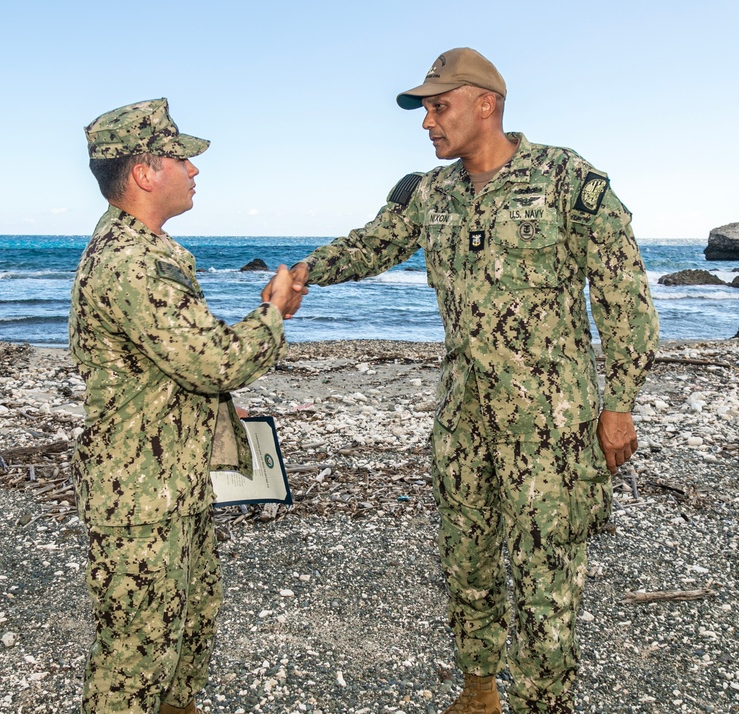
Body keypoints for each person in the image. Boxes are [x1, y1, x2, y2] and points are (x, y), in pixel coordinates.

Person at [266, 49, 659, 713]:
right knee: (468, 560)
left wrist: (619, 405)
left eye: (437, 105)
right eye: (423, 107)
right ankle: (479, 691)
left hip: (551, 423)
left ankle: (543, 704)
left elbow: (624, 299)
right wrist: (303, 272)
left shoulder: (568, 180)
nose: (427, 121)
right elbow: (372, 244)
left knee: (545, 577)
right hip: (464, 417)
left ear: (486, 104)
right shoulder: (430, 193)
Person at [70, 97, 303, 714]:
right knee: (134, 662)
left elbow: (174, 370)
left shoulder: (146, 252)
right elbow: (216, 363)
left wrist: (222, 417)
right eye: (180, 158)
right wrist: (274, 313)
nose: (194, 170)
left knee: (188, 627)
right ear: (144, 172)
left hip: (173, 480)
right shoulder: (132, 262)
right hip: (139, 493)